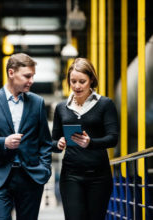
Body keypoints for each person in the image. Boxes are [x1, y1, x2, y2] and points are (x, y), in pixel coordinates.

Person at [0, 53, 52, 220]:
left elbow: (45, 142)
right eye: (27, 76)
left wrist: (44, 169)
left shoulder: (37, 103)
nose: (31, 81)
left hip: (31, 177)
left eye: (33, 76)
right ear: (11, 73)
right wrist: (3, 142)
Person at [52, 57, 119, 220]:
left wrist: (91, 143)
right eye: (73, 81)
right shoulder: (62, 108)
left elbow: (113, 138)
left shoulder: (105, 104)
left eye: (82, 81)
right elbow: (52, 142)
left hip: (99, 176)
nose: (77, 86)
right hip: (71, 176)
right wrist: (59, 143)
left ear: (91, 80)